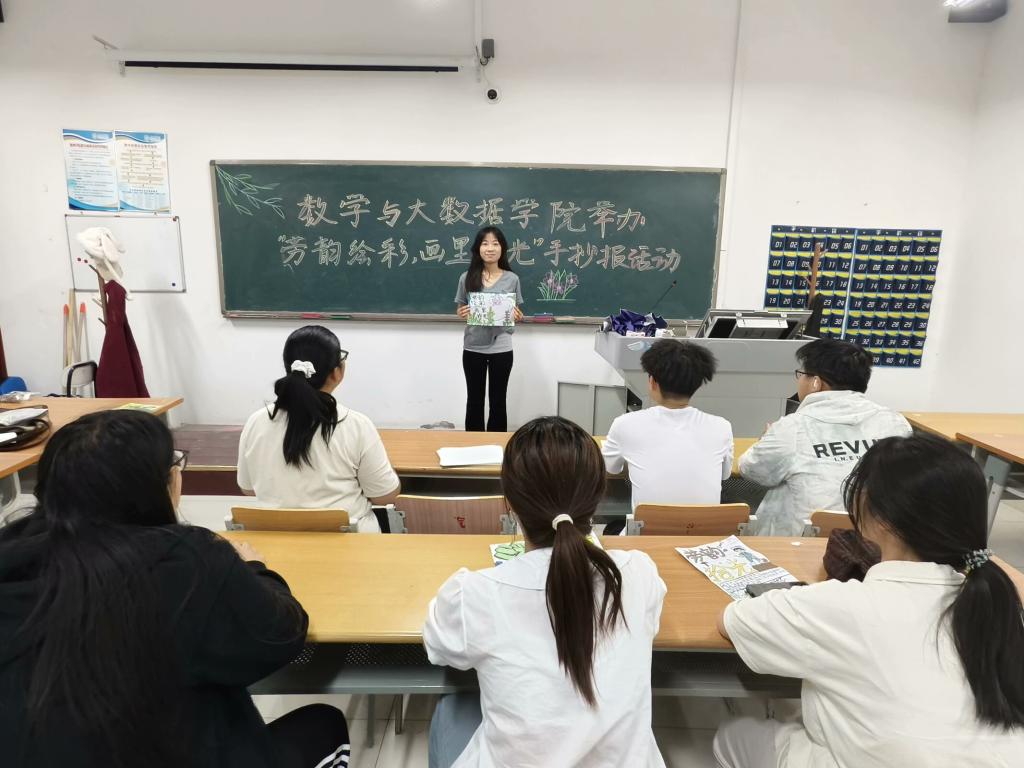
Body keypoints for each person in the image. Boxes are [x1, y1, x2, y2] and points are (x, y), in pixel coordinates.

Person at [0, 410, 350, 768]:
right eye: (175, 464)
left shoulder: (12, 558)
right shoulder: (186, 562)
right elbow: (281, 635)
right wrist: (255, 570)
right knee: (324, 726)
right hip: (164, 751)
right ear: (156, 485)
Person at [714, 434, 1024, 767]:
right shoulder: (996, 603)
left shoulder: (842, 605)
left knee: (733, 735)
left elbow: (732, 620)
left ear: (882, 520)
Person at [423, 416, 667, 768]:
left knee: (451, 706)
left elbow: (438, 649)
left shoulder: (474, 594)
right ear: (598, 498)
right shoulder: (638, 572)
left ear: (509, 503)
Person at [237, 325, 400, 532]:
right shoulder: (356, 425)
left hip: (275, 544)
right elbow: (385, 496)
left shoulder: (256, 422)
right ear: (337, 372)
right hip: (350, 544)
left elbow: (248, 488)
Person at [740, 337, 911, 535]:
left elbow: (751, 469)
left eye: (802, 374)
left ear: (816, 382)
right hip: (876, 538)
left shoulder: (792, 428)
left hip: (804, 542)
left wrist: (766, 440)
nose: (799, 381)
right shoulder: (895, 423)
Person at [602, 339, 734, 519]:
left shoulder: (624, 424)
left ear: (653, 382)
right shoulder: (722, 427)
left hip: (646, 533)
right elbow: (725, 475)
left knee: (613, 526)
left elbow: (611, 468)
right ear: (696, 384)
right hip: (704, 532)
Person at [454, 226, 524, 432]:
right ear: (478, 248)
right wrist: (462, 312)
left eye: (495, 243)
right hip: (473, 347)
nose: (490, 248)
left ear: (502, 248)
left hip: (501, 348)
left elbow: (516, 311)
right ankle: (473, 444)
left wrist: (517, 316)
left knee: (498, 401)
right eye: (485, 243)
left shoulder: (512, 279)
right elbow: (460, 308)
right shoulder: (466, 277)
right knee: (474, 400)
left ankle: (497, 444)